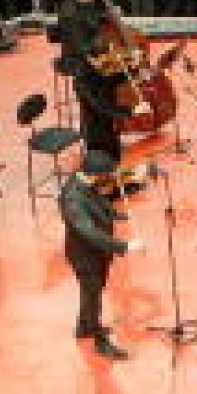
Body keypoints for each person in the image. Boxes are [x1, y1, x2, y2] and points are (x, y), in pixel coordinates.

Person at [59, 151, 140, 360]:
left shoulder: (84, 180)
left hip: (95, 254)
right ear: (95, 174)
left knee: (91, 294)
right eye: (105, 175)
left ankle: (84, 327)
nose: (107, 179)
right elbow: (89, 232)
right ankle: (100, 342)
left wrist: (120, 215)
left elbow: (99, 203)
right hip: (85, 256)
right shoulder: (72, 198)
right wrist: (125, 246)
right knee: (93, 296)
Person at [72, 55, 131, 168]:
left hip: (106, 125)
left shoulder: (95, 75)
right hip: (96, 132)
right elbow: (103, 106)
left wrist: (128, 71)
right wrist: (129, 112)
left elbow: (111, 80)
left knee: (115, 156)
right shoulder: (85, 82)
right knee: (106, 165)